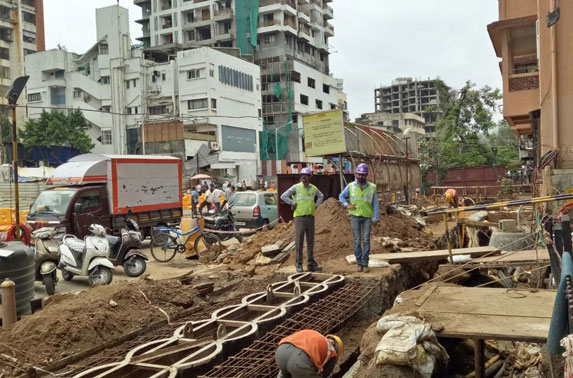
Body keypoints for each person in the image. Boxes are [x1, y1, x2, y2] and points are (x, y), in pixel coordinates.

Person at [280, 168, 324, 273]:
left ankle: (310, 264)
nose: (304, 177)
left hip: (310, 218)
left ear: (310, 177)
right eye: (302, 175)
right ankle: (298, 264)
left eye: (306, 175)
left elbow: (321, 196)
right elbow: (283, 196)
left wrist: (316, 205)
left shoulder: (313, 188)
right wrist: (292, 202)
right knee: (299, 242)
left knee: (310, 242)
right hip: (300, 217)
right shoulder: (296, 187)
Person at [339, 163, 379, 273]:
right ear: (356, 174)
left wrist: (375, 217)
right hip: (355, 216)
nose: (360, 176)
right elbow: (341, 196)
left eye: (363, 175)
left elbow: (375, 203)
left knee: (366, 240)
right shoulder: (351, 186)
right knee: (357, 240)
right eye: (359, 174)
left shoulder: (372, 187)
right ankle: (359, 263)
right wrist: (346, 205)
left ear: (366, 175)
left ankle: (365, 263)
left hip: (367, 216)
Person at [275, 330, 343, 378]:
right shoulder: (333, 353)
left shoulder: (318, 338)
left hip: (281, 352)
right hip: (300, 360)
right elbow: (324, 374)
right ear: (337, 349)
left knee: (285, 373)